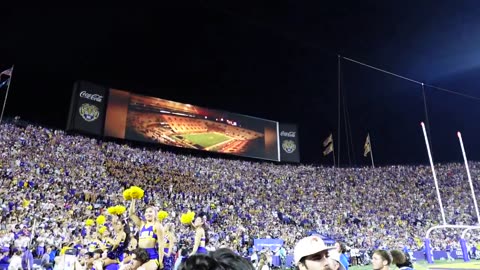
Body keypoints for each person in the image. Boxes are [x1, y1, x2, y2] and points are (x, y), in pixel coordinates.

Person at [130, 200, 165, 270]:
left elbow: (161, 245)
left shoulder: (158, 226)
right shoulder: (142, 224)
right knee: (126, 268)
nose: (148, 214)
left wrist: (160, 261)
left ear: (155, 214)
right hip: (140, 255)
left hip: (151, 256)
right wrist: (133, 199)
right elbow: (131, 214)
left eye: (150, 212)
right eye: (146, 212)